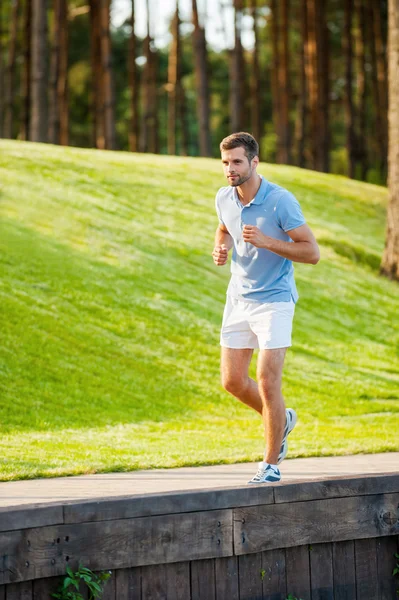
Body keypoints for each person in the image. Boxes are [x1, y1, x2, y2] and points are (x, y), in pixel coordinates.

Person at [212, 132, 320, 484]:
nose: (230, 169)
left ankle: (270, 464)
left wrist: (268, 242)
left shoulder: (280, 202)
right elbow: (224, 227)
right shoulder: (224, 197)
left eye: (237, 162)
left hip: (274, 300)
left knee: (267, 381)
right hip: (239, 298)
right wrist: (222, 246)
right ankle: (282, 420)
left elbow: (312, 253)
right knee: (231, 381)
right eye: (225, 162)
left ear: (254, 162)